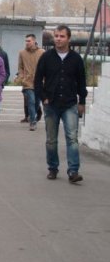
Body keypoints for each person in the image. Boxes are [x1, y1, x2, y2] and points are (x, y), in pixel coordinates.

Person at [34, 25, 87, 183]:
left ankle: (73, 171)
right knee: (51, 139)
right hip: (51, 104)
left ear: (68, 39)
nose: (58, 39)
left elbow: (82, 82)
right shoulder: (46, 57)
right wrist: (43, 97)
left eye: (62, 36)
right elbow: (37, 80)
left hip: (70, 103)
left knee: (72, 138)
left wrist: (82, 101)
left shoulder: (76, 59)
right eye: (56, 36)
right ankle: (53, 168)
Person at [16, 33, 45, 130]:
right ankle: (32, 122)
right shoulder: (22, 53)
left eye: (29, 41)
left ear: (34, 41)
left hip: (39, 82)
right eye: (26, 41)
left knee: (36, 102)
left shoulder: (42, 52)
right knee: (31, 102)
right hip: (27, 82)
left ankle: (34, 115)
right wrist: (21, 77)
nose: (27, 43)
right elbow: (20, 67)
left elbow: (47, 67)